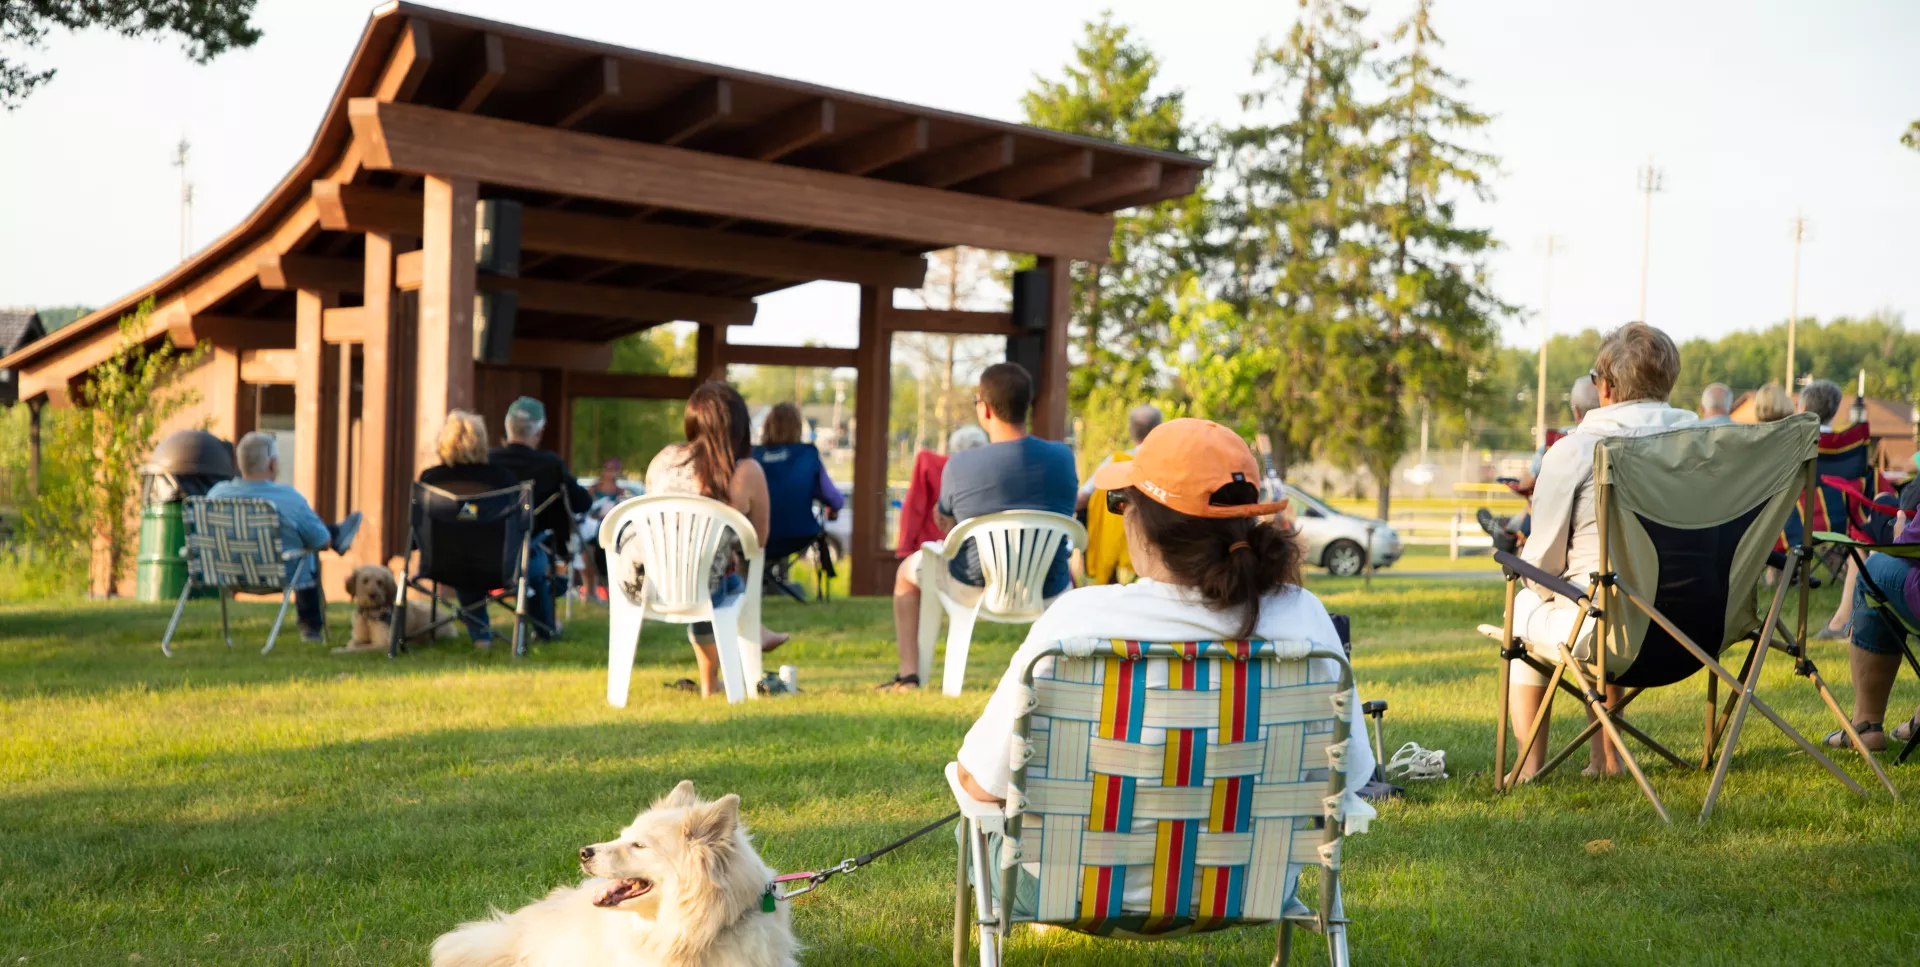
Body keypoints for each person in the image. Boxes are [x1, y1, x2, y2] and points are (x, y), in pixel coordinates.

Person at [951, 419, 1374, 915]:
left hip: (1076, 891)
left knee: (975, 827)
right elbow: (1351, 774)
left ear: (1143, 521)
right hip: (1250, 889)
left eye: (1120, 501)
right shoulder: (1303, 618)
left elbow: (981, 783)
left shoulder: (1077, 620)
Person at [1504, 323, 1695, 780]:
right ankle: (1604, 758)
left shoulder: (1577, 449)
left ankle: (1530, 768)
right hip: (1700, 631)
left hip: (1615, 633)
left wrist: (1530, 569)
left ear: (1605, 386)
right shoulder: (1705, 443)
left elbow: (1541, 567)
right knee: (1603, 593)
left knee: (1535, 597)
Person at [886, 362, 1077, 691]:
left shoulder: (960, 464)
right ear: (1026, 406)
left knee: (906, 572)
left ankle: (909, 675)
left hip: (974, 585)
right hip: (1050, 584)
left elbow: (946, 520)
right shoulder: (1063, 457)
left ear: (984, 409)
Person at [643, 382, 790, 696]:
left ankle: (711, 683)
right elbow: (759, 541)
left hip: (653, 583)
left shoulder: (664, 458)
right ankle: (756, 633)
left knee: (710, 573)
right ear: (739, 426)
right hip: (703, 586)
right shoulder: (745, 471)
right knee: (726, 582)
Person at [206, 432, 361, 644]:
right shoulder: (288, 498)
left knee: (302, 539)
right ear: (271, 464)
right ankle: (310, 630)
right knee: (309, 551)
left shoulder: (216, 495)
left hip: (226, 573)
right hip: (278, 573)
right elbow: (322, 543)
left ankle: (335, 532)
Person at [419, 410, 524, 648]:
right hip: (497, 565)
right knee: (483, 559)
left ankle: (481, 636)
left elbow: (419, 528)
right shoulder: (503, 479)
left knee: (464, 562)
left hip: (441, 563)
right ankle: (535, 629)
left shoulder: (430, 480)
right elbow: (519, 526)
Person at [488, 397, 590, 639]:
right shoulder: (550, 465)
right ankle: (545, 626)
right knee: (533, 553)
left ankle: (480, 631)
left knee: (530, 553)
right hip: (535, 549)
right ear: (540, 431)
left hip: (486, 549)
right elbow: (583, 502)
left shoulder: (488, 461)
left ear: (507, 426)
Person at [1477, 376, 1601, 553]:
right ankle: (1509, 528)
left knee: (1540, 495)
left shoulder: (1559, 439)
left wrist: (1520, 484)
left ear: (1575, 411)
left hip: (1558, 537)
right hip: (1604, 535)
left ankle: (1509, 530)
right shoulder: (1621, 440)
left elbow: (1529, 482)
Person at [751, 402, 845, 565]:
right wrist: (833, 507)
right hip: (799, 534)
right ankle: (781, 585)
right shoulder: (807, 456)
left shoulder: (753, 457)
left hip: (757, 536)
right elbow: (834, 498)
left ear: (767, 426)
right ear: (798, 428)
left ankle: (760, 583)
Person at [895, 425, 989, 558]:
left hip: (932, 550)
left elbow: (914, 508)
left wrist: (904, 548)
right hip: (978, 556)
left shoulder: (930, 465)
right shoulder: (990, 477)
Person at [1074, 404, 1163, 515]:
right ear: (1159, 428)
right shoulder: (1167, 463)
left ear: (1131, 430)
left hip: (1115, 531)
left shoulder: (1116, 462)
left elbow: (1082, 498)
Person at [579, 459, 628, 603]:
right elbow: (584, 507)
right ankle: (589, 591)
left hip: (609, 529)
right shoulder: (593, 489)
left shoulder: (620, 492)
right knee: (587, 556)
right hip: (591, 529)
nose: (610, 472)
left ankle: (603, 592)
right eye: (608, 469)